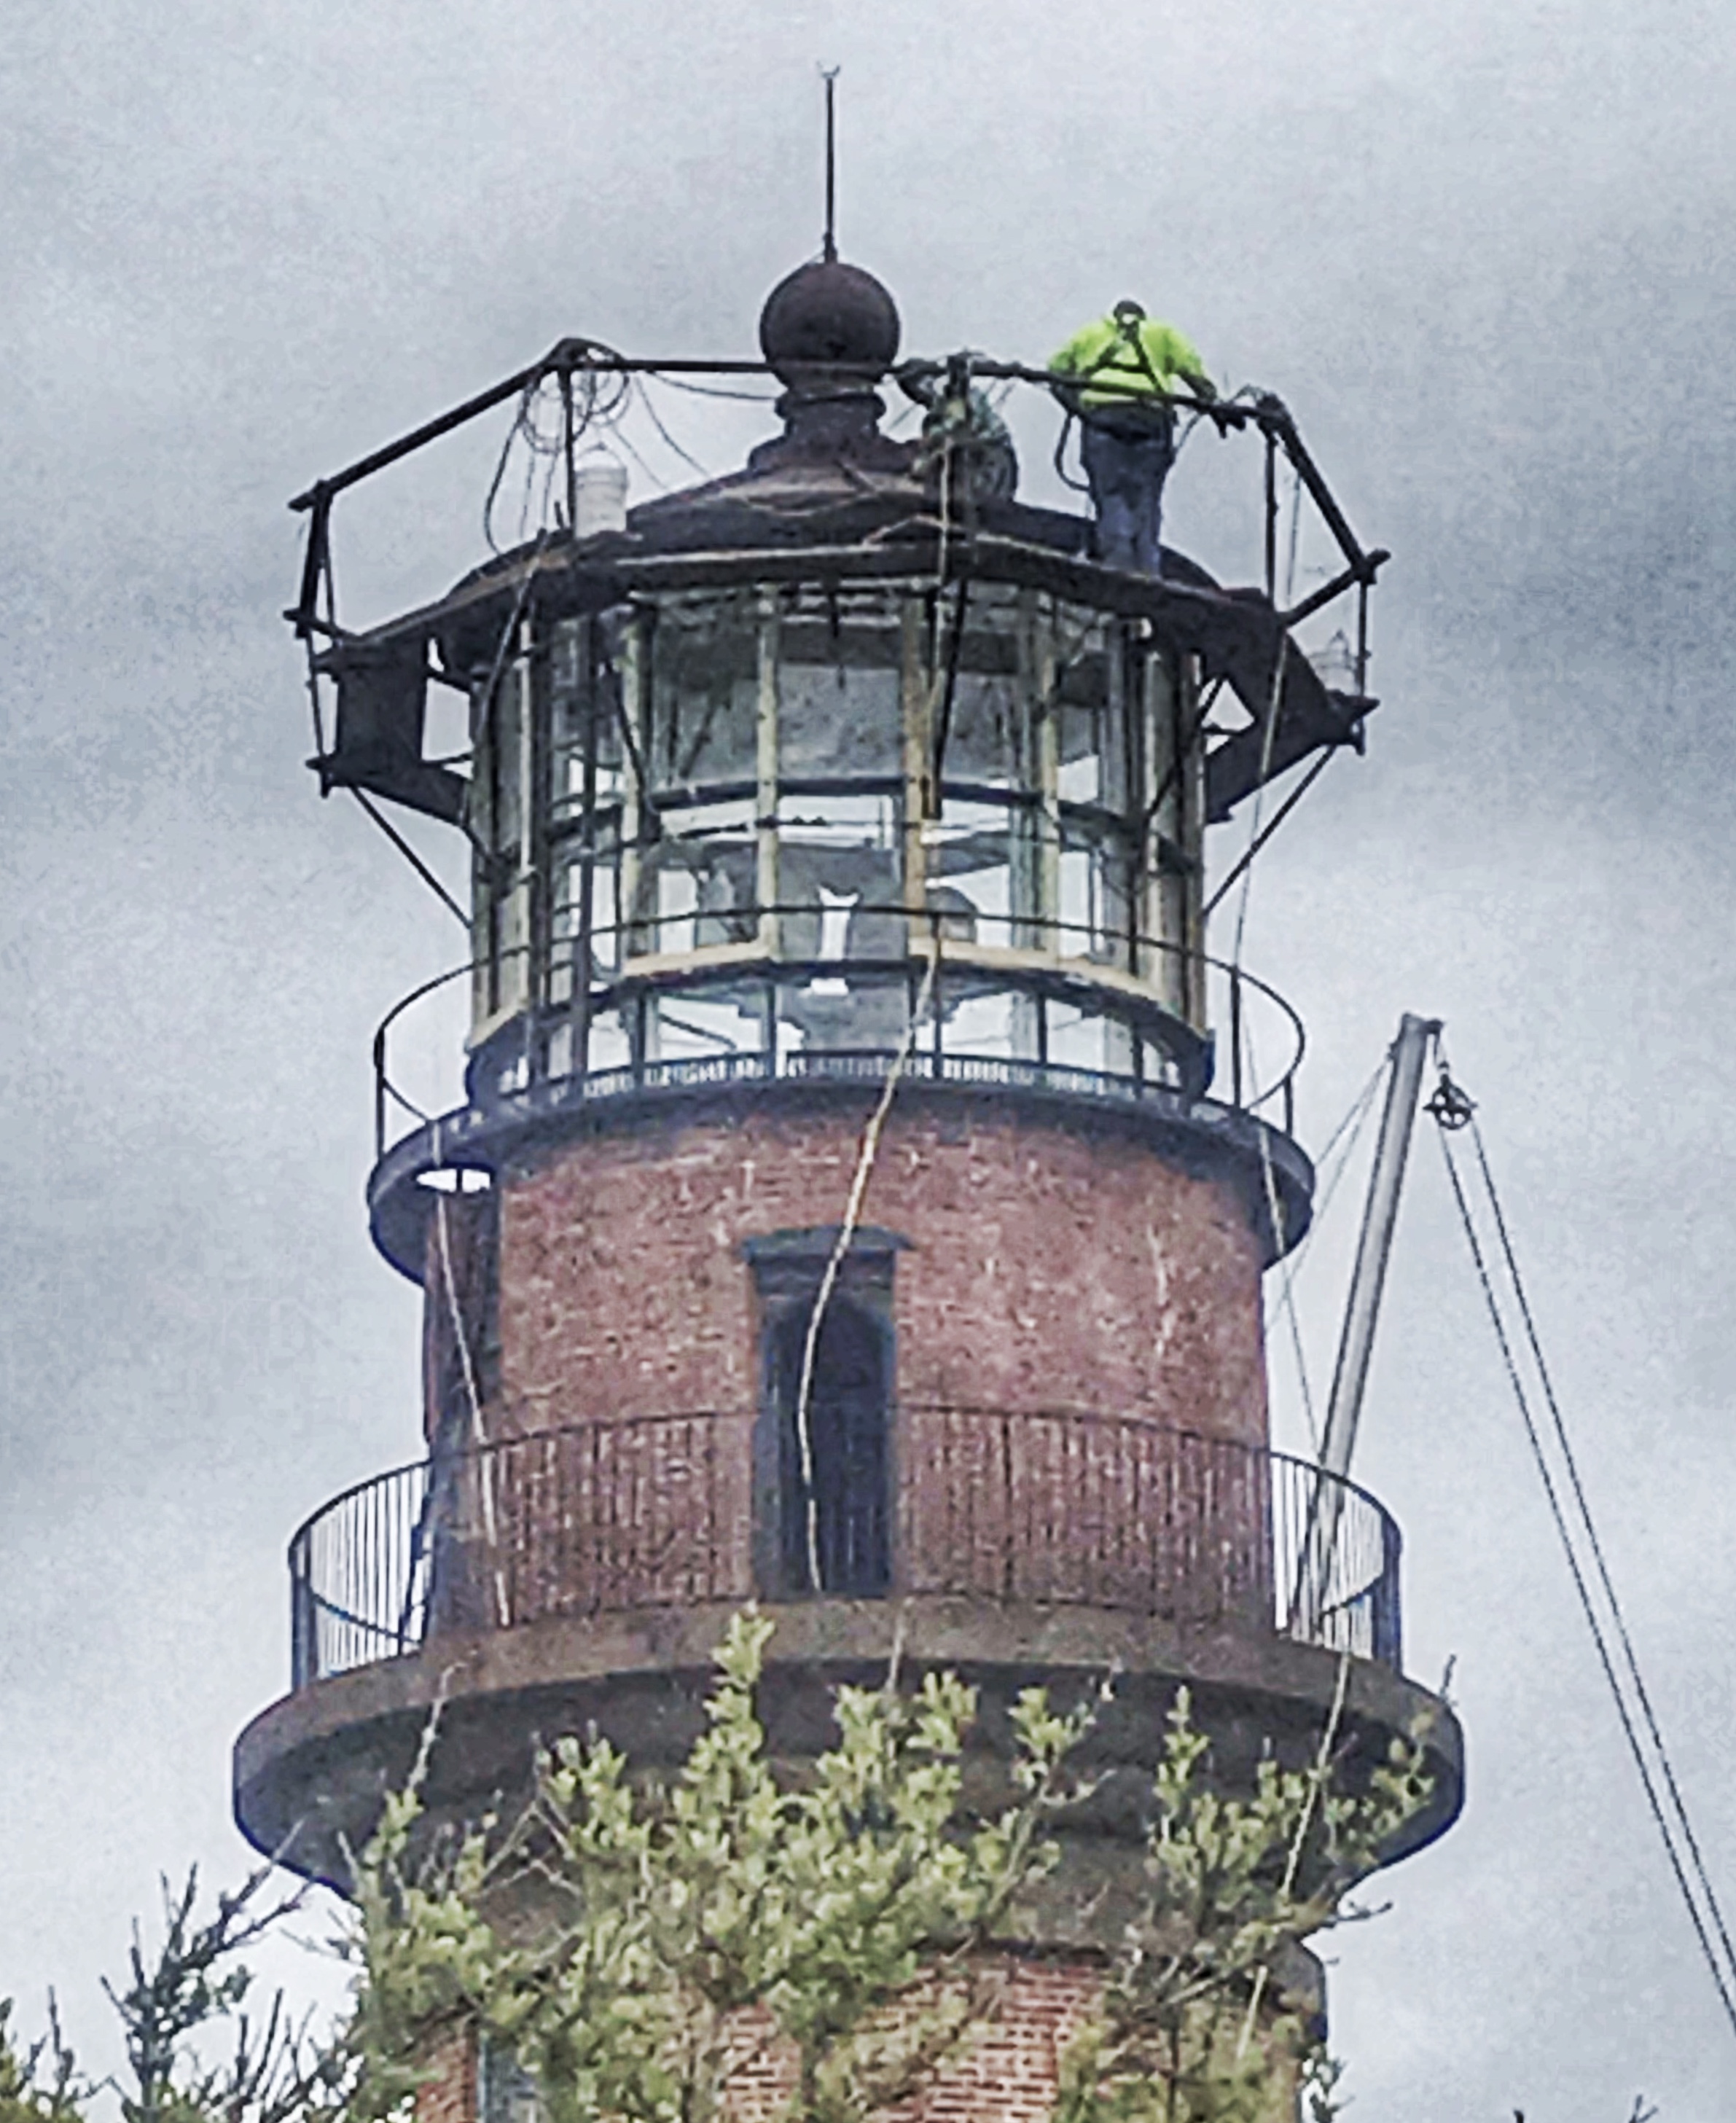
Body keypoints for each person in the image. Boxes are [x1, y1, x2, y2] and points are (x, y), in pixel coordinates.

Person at [1049, 300, 1216, 575]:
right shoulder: (1161, 334)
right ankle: (1148, 571)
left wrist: (1076, 405)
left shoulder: (1090, 334)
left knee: (1111, 493)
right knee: (1146, 497)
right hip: (1150, 420)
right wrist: (1212, 402)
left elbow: (1056, 368)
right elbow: (1193, 369)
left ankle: (1117, 567)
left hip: (1102, 420)